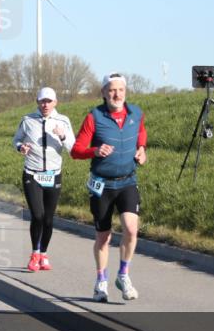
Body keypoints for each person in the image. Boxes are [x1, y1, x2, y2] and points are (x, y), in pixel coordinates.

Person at [71, 73, 147, 302]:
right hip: (102, 185)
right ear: (104, 92)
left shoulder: (136, 113)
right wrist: (94, 151)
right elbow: (76, 150)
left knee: (131, 229)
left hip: (127, 181)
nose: (117, 94)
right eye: (112, 90)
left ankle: (123, 275)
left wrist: (142, 148)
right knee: (103, 237)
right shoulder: (94, 117)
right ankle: (101, 281)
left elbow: (141, 132)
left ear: (125, 91)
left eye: (120, 90)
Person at [13, 87, 75, 272]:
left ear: (55, 102)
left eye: (49, 101)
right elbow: (16, 140)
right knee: (37, 215)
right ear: (37, 102)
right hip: (32, 174)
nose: (45, 105)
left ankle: (44, 254)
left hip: (53, 174)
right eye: (42, 101)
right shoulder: (27, 120)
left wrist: (62, 135)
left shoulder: (63, 121)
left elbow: (73, 148)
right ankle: (34, 253)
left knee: (48, 219)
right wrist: (20, 147)